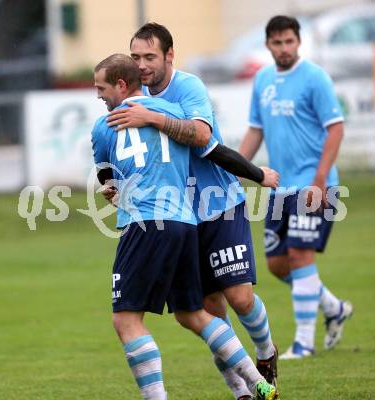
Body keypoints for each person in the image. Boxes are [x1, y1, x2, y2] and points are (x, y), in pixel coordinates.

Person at [106, 23, 280, 400]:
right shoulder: (132, 100)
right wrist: (119, 186)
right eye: (135, 57)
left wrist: (152, 118)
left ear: (170, 55)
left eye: (149, 57)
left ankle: (266, 351)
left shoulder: (187, 88)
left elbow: (203, 138)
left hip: (218, 203)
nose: (142, 64)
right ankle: (243, 392)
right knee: (209, 310)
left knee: (239, 297)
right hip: (181, 215)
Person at [238, 15, 353, 360]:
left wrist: (320, 180)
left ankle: (304, 342)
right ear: (268, 44)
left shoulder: (315, 77)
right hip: (278, 189)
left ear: (298, 42)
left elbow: (335, 129)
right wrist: (233, 168)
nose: (284, 48)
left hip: (314, 186)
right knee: (277, 265)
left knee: (301, 256)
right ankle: (333, 307)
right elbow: (256, 130)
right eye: (277, 42)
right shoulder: (262, 80)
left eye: (289, 41)